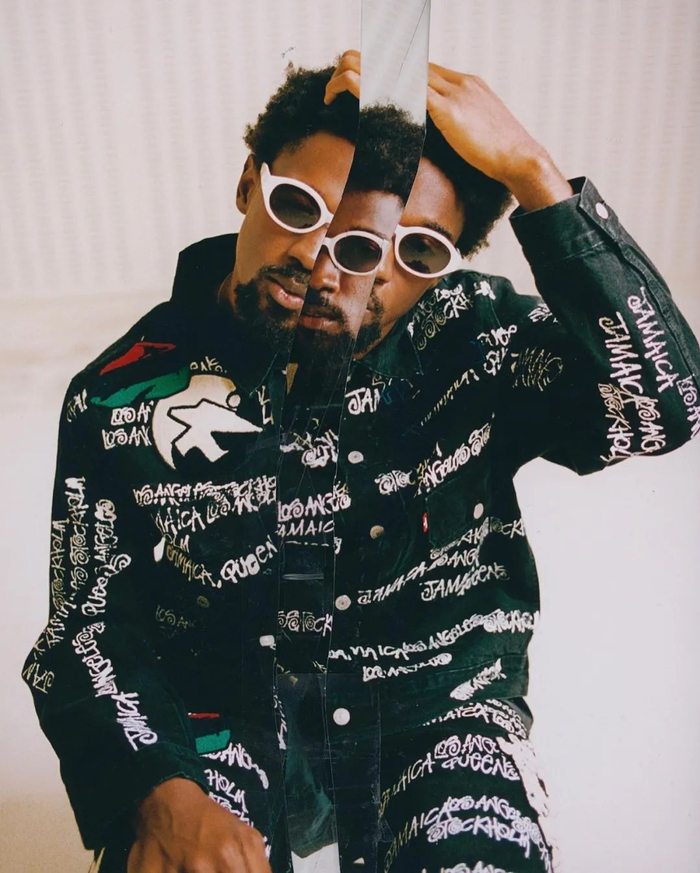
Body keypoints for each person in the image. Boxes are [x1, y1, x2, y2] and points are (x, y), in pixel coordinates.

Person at [22, 51, 700, 873]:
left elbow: (662, 406)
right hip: (219, 718)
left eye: (412, 251)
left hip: (438, 707)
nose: (333, 262)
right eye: (301, 206)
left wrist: (534, 173)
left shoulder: (474, 338)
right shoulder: (118, 396)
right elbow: (89, 624)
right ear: (248, 183)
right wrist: (161, 792)